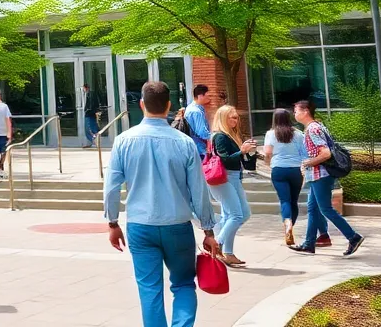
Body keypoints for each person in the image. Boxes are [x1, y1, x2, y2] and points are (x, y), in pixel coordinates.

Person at [104, 81, 219, 327]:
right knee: (184, 284)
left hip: (140, 225)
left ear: (142, 104)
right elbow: (198, 190)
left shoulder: (124, 141)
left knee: (149, 289)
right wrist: (208, 229)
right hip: (178, 224)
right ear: (169, 106)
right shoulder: (184, 142)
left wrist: (112, 222)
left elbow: (112, 187)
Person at [289, 99, 365, 257]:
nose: (294, 114)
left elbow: (325, 153)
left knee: (325, 209)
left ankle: (353, 237)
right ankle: (309, 244)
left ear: (305, 111)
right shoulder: (317, 126)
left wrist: (308, 162)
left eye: (296, 111)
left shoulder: (312, 129)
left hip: (320, 175)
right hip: (319, 175)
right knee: (313, 208)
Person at [208, 104, 255, 267]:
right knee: (235, 215)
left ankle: (227, 252)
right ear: (223, 118)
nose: (236, 120)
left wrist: (249, 152)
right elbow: (225, 159)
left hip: (234, 177)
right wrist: (241, 151)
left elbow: (243, 162)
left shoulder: (232, 135)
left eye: (237, 117)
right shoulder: (220, 136)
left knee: (241, 215)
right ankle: (218, 244)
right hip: (223, 178)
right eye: (232, 117)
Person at [263, 107, 314, 247]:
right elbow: (305, 154)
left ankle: (287, 223)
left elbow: (267, 153)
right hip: (295, 170)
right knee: (293, 201)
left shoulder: (270, 134)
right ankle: (291, 226)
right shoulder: (298, 134)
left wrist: (268, 163)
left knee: (284, 200)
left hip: (278, 169)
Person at [183, 85, 211, 156]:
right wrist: (213, 137)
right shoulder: (196, 112)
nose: (209, 98)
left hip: (194, 147)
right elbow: (202, 132)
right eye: (207, 95)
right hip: (199, 148)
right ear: (200, 96)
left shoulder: (191, 108)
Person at [82, 83, 102, 148]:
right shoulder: (90, 94)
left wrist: (87, 110)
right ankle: (95, 141)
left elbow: (90, 105)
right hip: (92, 113)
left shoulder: (89, 94)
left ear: (85, 88)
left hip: (89, 113)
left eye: (83, 88)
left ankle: (94, 141)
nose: (83, 90)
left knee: (88, 128)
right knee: (93, 127)